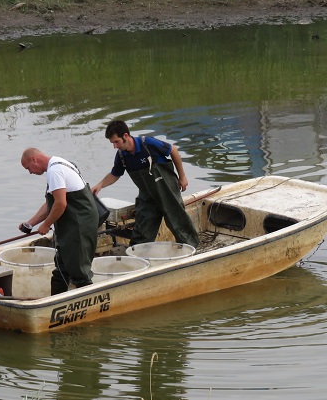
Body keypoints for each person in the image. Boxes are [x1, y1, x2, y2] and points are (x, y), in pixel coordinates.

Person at [91, 120, 199, 248]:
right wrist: (100, 185)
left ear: (125, 136)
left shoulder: (147, 144)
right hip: (147, 195)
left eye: (116, 142)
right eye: (112, 143)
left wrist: (182, 176)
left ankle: (190, 248)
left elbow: (173, 150)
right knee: (142, 227)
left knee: (178, 221)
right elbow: (115, 174)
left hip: (167, 191)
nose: (115, 146)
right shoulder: (121, 156)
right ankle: (138, 256)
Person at [19, 148, 99, 296]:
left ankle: (87, 302)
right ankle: (54, 302)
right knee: (61, 269)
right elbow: (52, 203)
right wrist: (31, 223)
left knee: (79, 271)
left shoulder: (55, 171)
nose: (29, 172)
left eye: (28, 168)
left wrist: (46, 224)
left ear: (33, 159)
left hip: (79, 225)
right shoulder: (58, 164)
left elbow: (61, 204)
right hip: (72, 224)